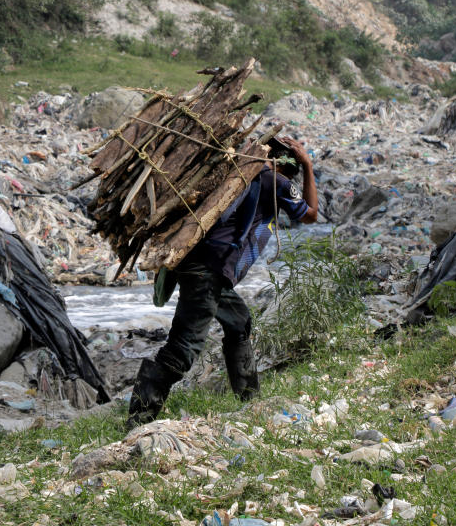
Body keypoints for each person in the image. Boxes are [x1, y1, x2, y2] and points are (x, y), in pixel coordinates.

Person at [127, 135, 318, 428]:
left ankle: (250, 402)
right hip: (209, 270)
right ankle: (137, 421)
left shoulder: (243, 171)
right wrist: (308, 164)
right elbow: (310, 215)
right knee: (183, 348)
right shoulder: (275, 181)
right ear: (287, 165)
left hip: (200, 264)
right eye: (295, 169)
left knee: (239, 322)